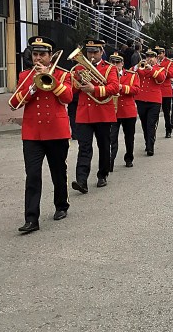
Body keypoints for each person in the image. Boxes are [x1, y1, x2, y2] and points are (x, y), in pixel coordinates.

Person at [8, 36, 72, 233]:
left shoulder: (62, 74)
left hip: (56, 131)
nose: (38, 59)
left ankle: (61, 205)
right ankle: (31, 219)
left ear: (50, 56)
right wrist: (32, 87)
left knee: (58, 171)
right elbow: (14, 103)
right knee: (33, 175)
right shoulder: (24, 76)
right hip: (33, 133)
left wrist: (50, 80)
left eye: (42, 55)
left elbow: (68, 97)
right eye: (35, 54)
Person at [70, 39, 120, 194]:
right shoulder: (78, 68)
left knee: (104, 146)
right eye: (89, 52)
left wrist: (94, 89)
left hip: (103, 113)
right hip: (84, 113)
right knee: (84, 147)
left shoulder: (109, 68)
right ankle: (81, 181)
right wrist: (77, 81)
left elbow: (114, 87)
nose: (91, 55)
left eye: (95, 52)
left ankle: (102, 174)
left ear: (102, 52)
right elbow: (72, 91)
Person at [108, 52, 139, 171]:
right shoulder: (107, 75)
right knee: (112, 138)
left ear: (122, 63)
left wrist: (122, 87)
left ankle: (129, 157)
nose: (115, 65)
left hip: (127, 110)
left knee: (129, 137)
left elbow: (136, 89)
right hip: (112, 111)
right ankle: (110, 161)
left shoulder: (131, 75)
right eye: (113, 62)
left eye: (117, 62)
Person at [134, 49, 166, 155]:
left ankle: (150, 146)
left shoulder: (160, 69)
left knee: (151, 124)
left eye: (151, 57)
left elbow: (161, 79)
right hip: (141, 99)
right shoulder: (140, 68)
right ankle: (147, 141)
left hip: (154, 100)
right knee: (144, 123)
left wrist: (151, 69)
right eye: (147, 57)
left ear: (156, 59)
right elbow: (130, 73)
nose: (149, 59)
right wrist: (136, 67)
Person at [155, 45, 173, 138]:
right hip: (155, 90)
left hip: (165, 90)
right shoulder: (153, 62)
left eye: (160, 54)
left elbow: (171, 74)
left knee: (166, 112)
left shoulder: (169, 62)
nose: (158, 56)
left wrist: (161, 69)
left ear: (163, 53)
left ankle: (168, 129)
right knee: (154, 113)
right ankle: (152, 132)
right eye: (157, 54)